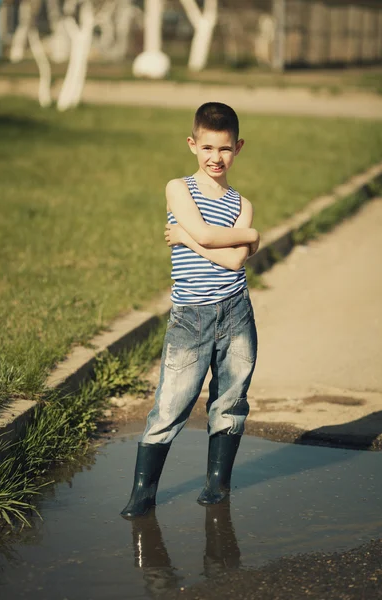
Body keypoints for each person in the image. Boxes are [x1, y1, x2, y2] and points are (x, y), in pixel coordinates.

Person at [121, 102, 259, 519]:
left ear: (238, 147)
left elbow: (235, 262)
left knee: (231, 401)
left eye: (225, 149)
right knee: (171, 404)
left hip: (236, 313)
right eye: (207, 148)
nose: (216, 158)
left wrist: (186, 238)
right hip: (191, 317)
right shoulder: (179, 188)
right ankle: (142, 495)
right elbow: (209, 235)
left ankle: (217, 485)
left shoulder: (242, 204)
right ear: (192, 144)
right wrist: (240, 236)